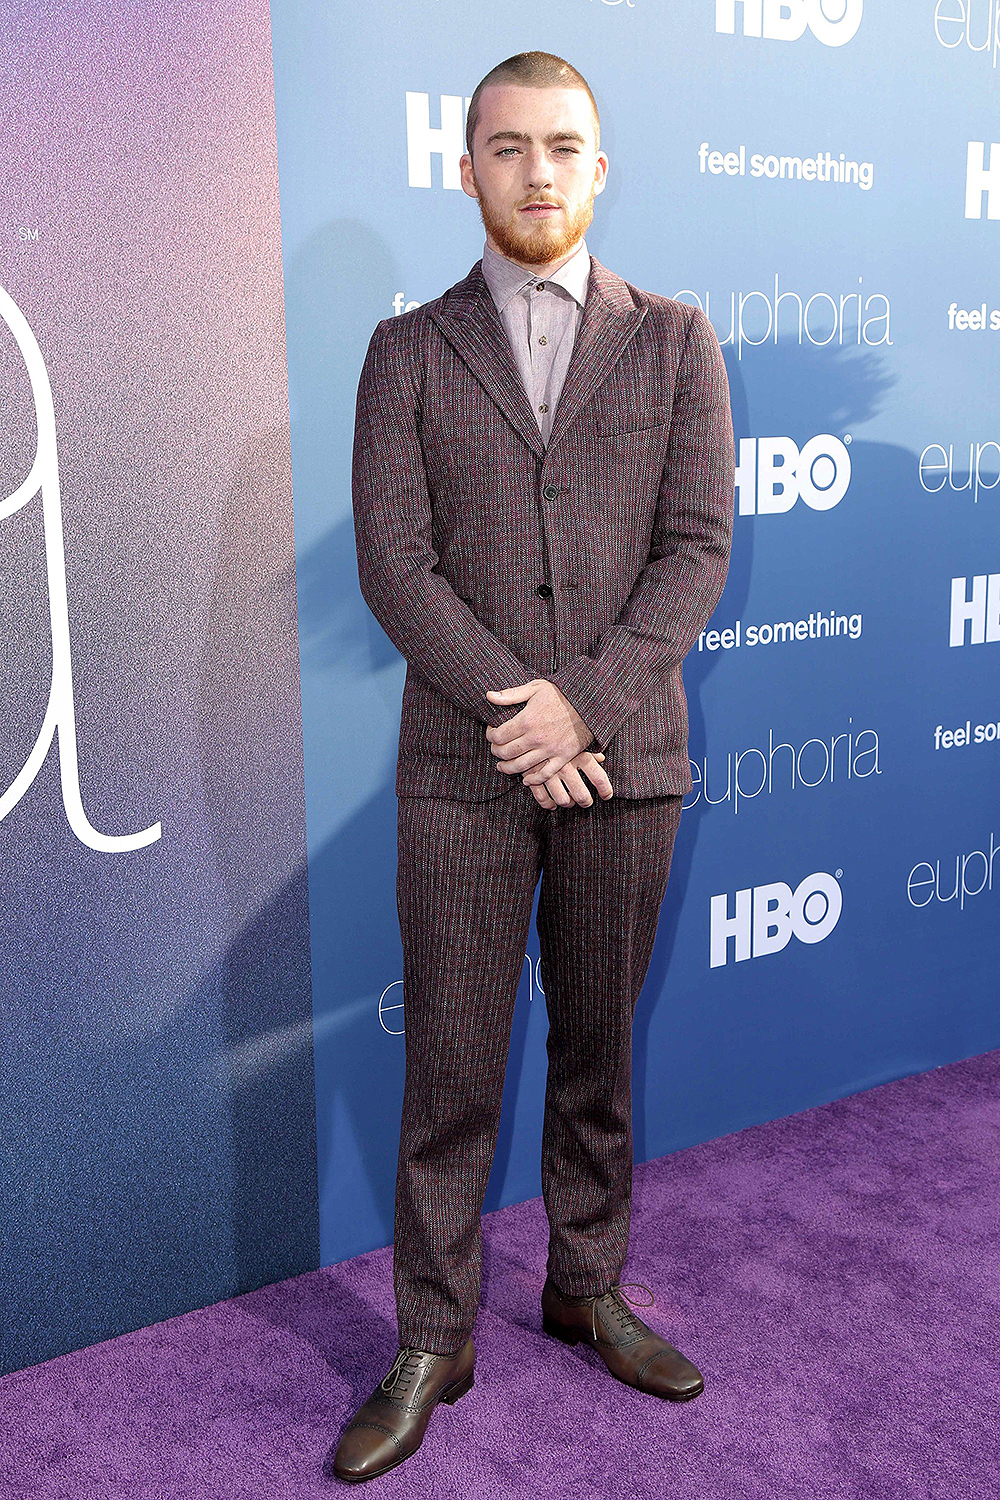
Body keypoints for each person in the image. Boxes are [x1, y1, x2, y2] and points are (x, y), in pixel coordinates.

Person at [329, 50, 735, 1484]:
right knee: (449, 1068)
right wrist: (529, 714)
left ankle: (586, 1284)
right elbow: (395, 564)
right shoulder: (407, 352)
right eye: (508, 146)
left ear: (601, 166)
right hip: (462, 771)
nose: (539, 170)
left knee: (597, 1056)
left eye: (565, 145)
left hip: (628, 765)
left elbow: (695, 551)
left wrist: (591, 710)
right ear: (468, 167)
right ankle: (432, 1336)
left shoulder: (679, 340)